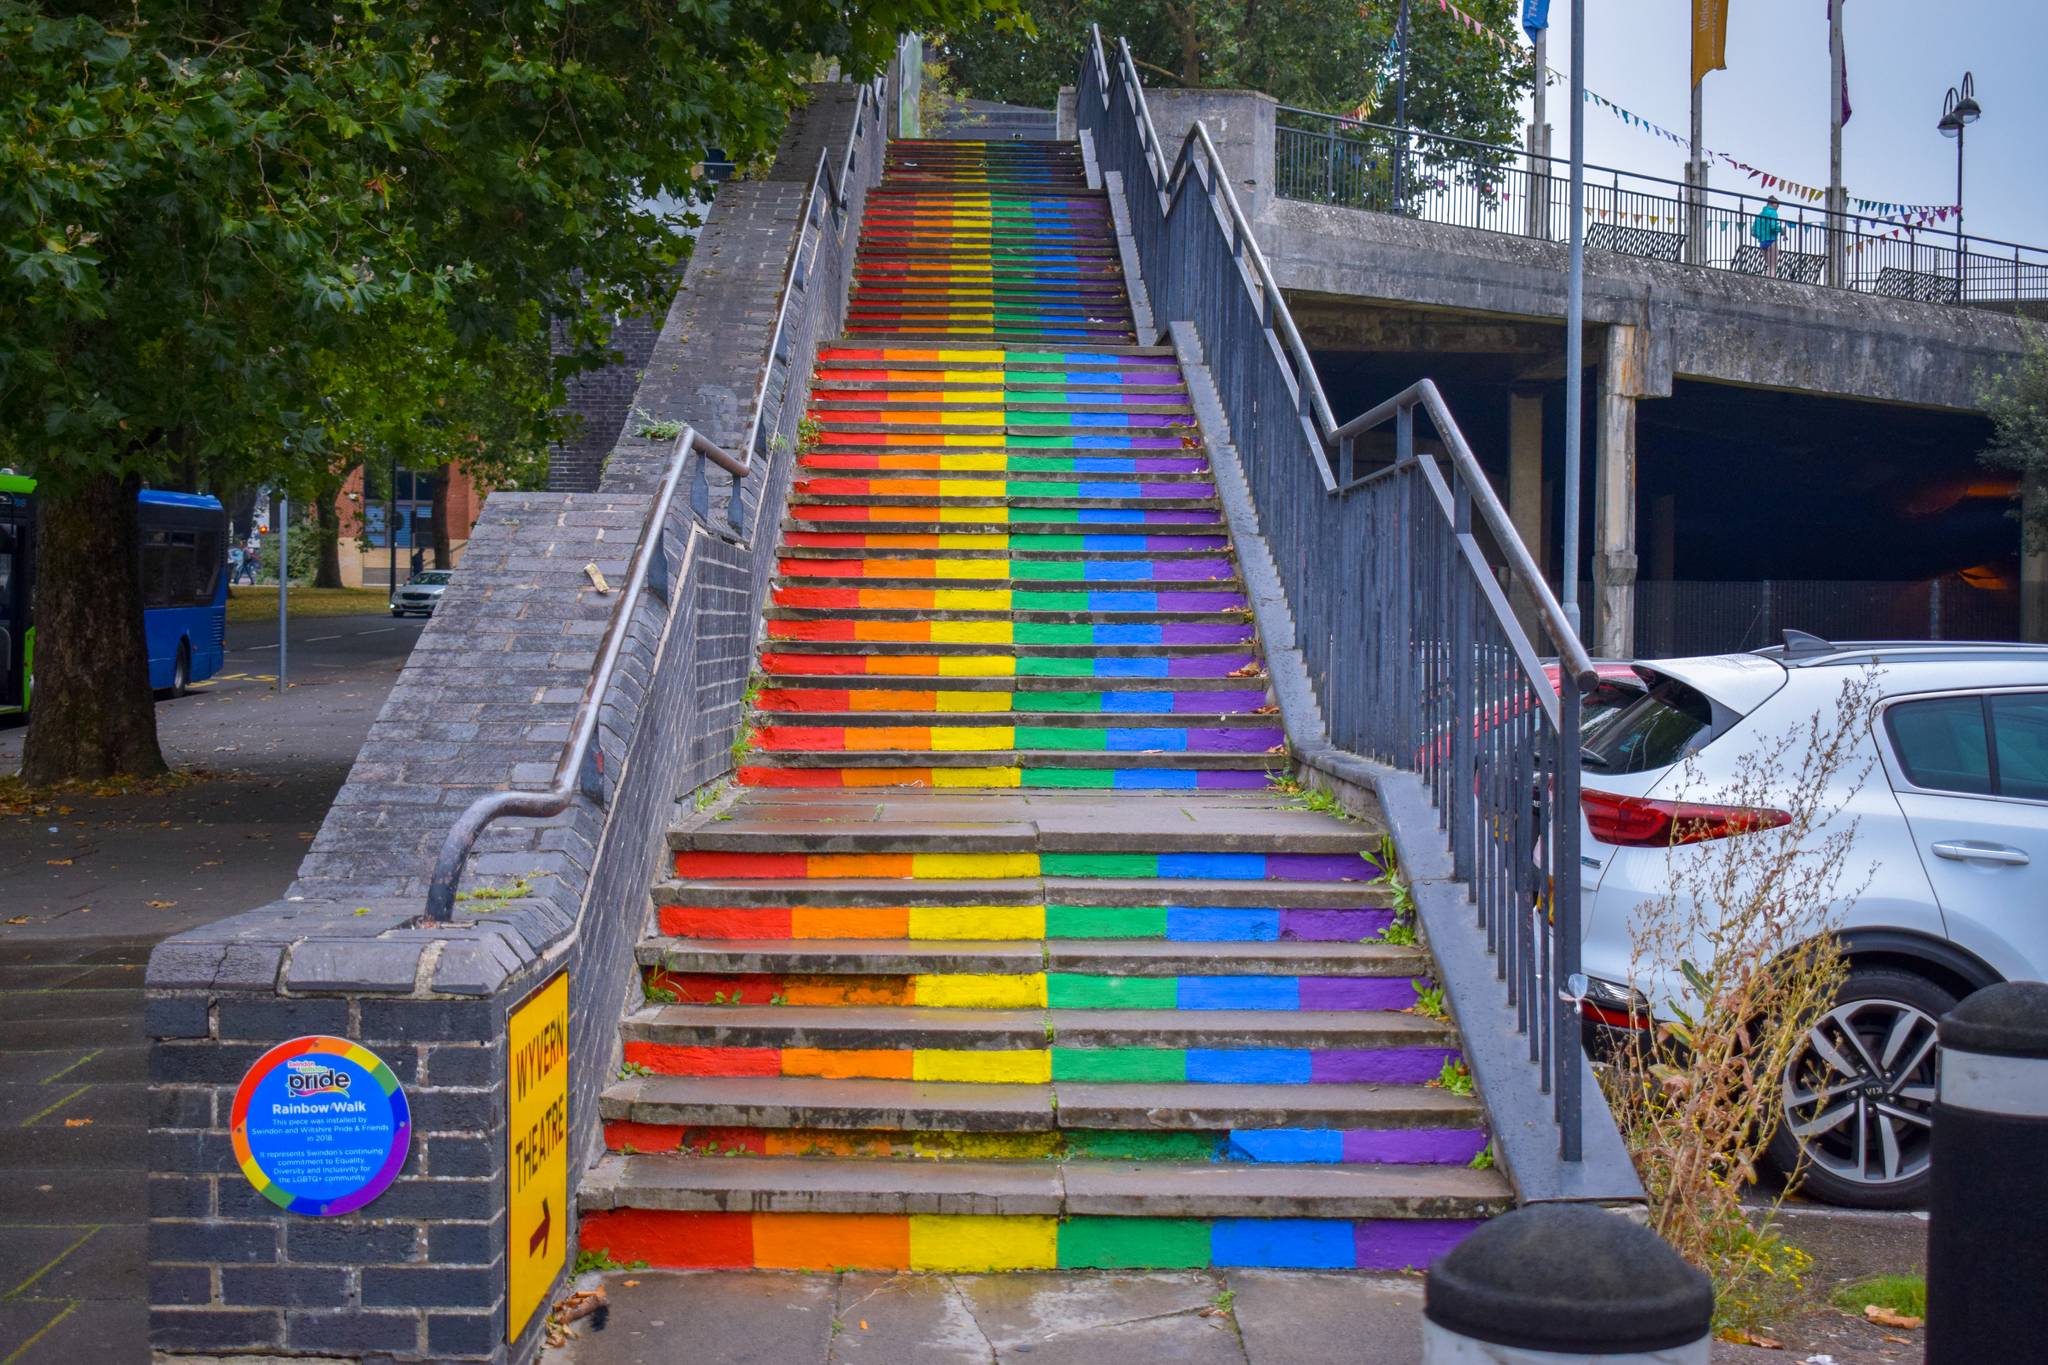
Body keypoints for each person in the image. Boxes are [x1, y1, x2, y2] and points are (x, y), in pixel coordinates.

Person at [1751, 195, 1784, 277]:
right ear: (1774, 204)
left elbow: (1753, 232)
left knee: (1769, 267)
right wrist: (1781, 230)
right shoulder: (1773, 212)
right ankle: (1772, 283)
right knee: (1773, 267)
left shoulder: (1759, 215)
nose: (1778, 207)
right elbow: (1773, 226)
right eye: (1778, 205)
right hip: (1771, 241)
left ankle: (1767, 280)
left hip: (1762, 243)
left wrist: (1761, 236)